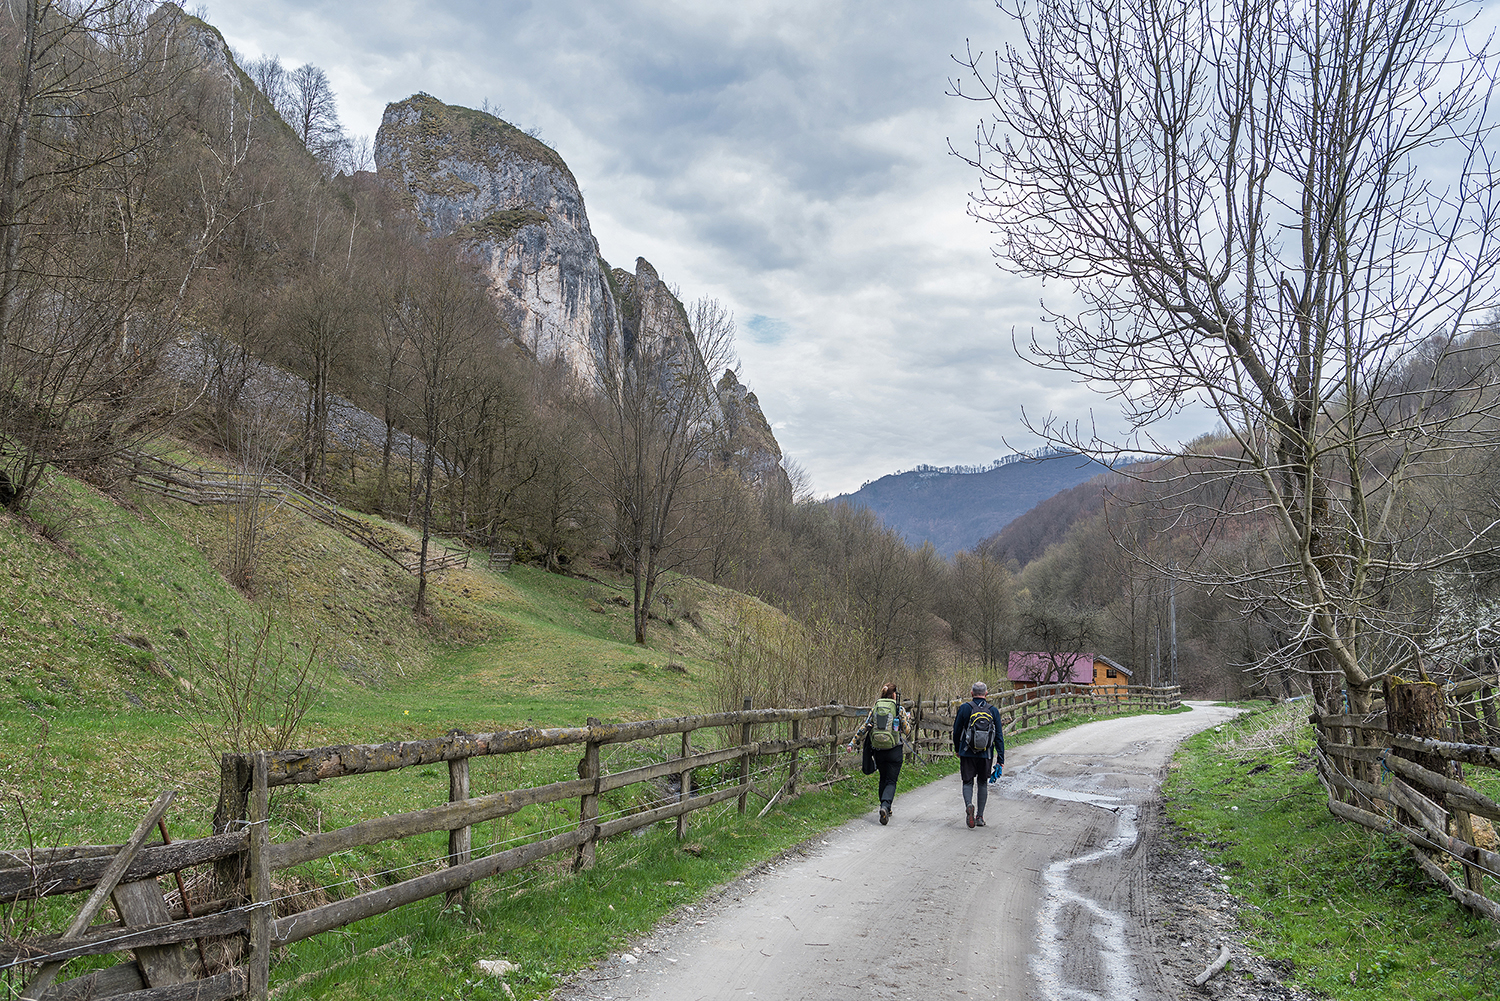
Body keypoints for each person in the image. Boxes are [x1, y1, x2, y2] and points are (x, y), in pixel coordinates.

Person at [848, 682, 912, 825]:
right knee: (891, 780)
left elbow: (865, 726)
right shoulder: (898, 709)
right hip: (894, 749)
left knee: (883, 778)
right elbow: (907, 731)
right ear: (894, 694)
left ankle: (884, 808)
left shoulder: (876, 707)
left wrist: (852, 742)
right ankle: (885, 806)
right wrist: (908, 721)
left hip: (878, 749)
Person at [952, 680, 1004, 828]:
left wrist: (957, 749)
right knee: (982, 783)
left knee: (967, 782)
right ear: (986, 694)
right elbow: (999, 736)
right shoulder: (993, 710)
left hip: (967, 752)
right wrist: (1001, 758)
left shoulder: (964, 708)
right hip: (986, 753)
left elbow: (956, 731)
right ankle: (980, 817)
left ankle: (969, 804)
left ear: (971, 693)